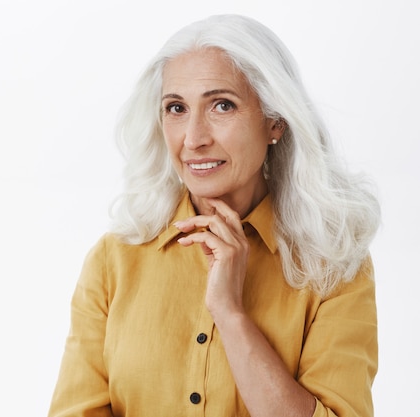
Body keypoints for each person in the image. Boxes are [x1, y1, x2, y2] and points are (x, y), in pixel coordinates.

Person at [48, 14, 380, 417]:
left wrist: (230, 312)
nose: (193, 138)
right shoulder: (114, 259)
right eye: (176, 108)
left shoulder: (335, 267)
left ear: (275, 120)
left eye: (222, 105)